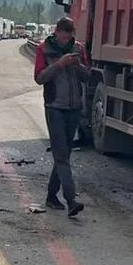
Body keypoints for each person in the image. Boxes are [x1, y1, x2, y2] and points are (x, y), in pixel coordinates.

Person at [33, 17, 89, 217]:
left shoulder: (79, 49)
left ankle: (51, 196)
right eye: (64, 37)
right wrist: (60, 64)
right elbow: (39, 78)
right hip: (54, 107)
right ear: (56, 32)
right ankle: (71, 199)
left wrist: (76, 66)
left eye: (70, 37)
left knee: (63, 154)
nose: (67, 40)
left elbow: (87, 76)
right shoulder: (44, 49)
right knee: (62, 155)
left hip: (74, 108)